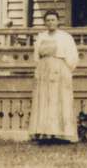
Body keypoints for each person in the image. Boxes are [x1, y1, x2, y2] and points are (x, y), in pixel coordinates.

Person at [29, 10, 79, 143]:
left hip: (59, 70)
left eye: (53, 20)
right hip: (44, 70)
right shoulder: (41, 37)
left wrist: (66, 70)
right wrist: (39, 70)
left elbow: (72, 55)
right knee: (45, 100)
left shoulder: (65, 37)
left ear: (58, 21)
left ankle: (61, 134)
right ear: (45, 22)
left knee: (59, 100)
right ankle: (45, 134)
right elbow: (36, 56)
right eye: (48, 20)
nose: (51, 22)